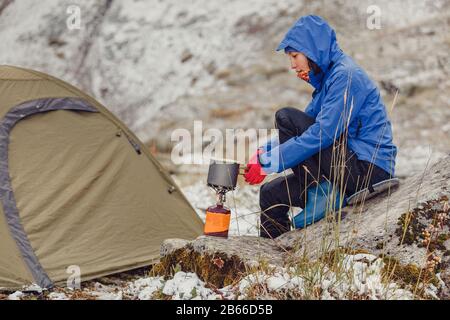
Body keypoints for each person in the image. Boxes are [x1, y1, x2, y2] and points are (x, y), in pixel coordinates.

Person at [243, 15, 397, 239]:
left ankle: (321, 193)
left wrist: (271, 162)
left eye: (295, 56)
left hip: (367, 170)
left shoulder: (346, 76)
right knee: (270, 193)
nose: (292, 65)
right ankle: (273, 257)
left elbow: (322, 134)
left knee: (285, 117)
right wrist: (263, 154)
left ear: (313, 50)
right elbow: (306, 127)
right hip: (343, 168)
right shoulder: (328, 82)